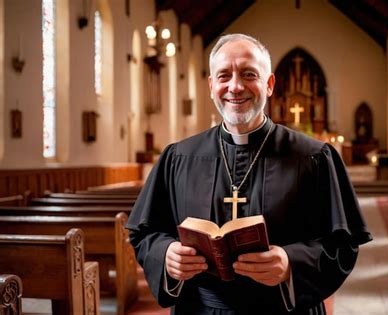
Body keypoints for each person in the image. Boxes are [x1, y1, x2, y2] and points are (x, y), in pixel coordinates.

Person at [126, 33, 372, 315]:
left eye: (248, 74)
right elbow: (145, 233)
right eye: (223, 76)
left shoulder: (314, 157)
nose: (235, 86)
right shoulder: (178, 157)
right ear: (211, 86)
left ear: (269, 85)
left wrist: (291, 263)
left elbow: (343, 245)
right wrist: (166, 254)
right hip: (201, 309)